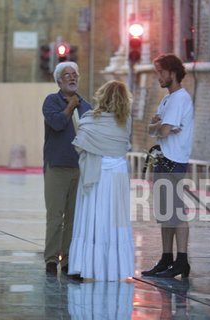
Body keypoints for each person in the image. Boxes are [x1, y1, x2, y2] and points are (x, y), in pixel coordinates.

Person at [68, 80, 135, 281]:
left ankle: (89, 268)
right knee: (115, 221)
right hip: (117, 173)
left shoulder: (89, 120)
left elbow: (80, 144)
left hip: (96, 173)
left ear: (102, 96)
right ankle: (117, 269)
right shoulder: (126, 121)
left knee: (93, 219)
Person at [141, 54, 194, 278]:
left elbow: (160, 130)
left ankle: (182, 260)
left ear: (173, 73)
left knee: (176, 212)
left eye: (161, 72)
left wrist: (160, 126)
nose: (158, 76)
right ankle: (166, 258)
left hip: (174, 159)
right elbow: (153, 128)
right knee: (165, 212)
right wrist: (160, 126)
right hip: (163, 157)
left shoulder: (180, 98)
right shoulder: (168, 99)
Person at [42, 62, 91, 275]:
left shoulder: (87, 106)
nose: (72, 78)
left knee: (73, 218)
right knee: (55, 216)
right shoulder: (51, 102)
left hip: (80, 168)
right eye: (67, 75)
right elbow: (58, 123)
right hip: (57, 166)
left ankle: (68, 260)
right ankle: (51, 260)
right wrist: (70, 106)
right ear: (59, 81)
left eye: (74, 75)